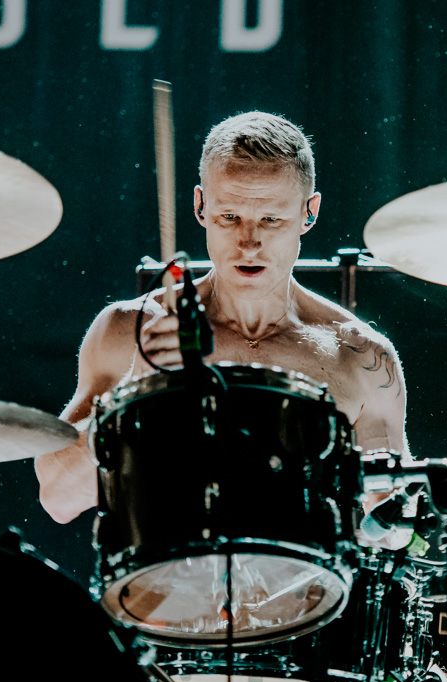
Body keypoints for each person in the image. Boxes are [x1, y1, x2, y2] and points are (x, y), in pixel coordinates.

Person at [35, 111, 408, 524]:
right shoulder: (129, 330)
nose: (249, 243)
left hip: (308, 568)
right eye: (229, 217)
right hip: (168, 566)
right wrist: (133, 393)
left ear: (309, 212)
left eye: (271, 219)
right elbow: (58, 498)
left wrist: (409, 514)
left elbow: (391, 528)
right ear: (200, 206)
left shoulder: (360, 358)